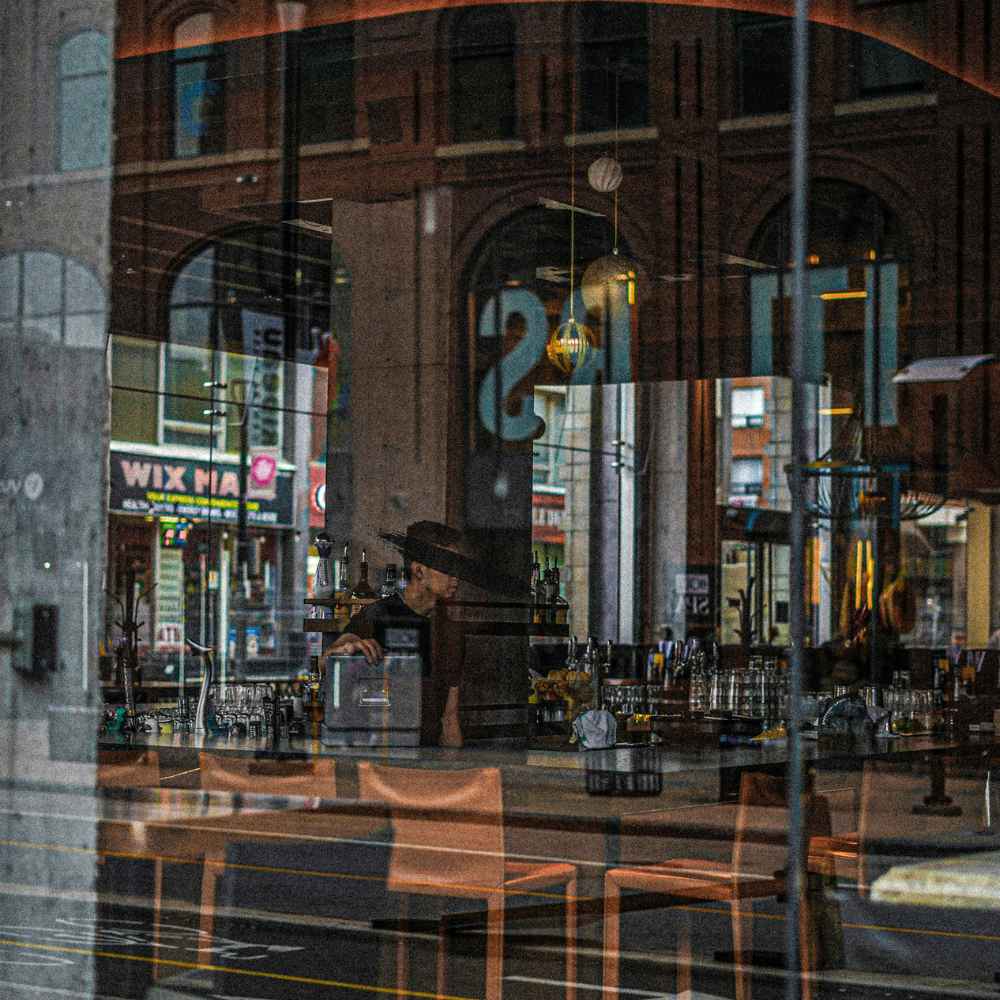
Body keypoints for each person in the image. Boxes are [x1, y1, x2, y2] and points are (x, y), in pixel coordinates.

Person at [324, 521, 464, 747]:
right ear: (419, 570)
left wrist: (453, 771)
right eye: (448, 567)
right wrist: (345, 650)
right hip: (379, 754)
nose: (456, 576)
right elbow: (328, 659)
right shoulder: (379, 614)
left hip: (426, 761)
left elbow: (449, 718)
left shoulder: (449, 631)